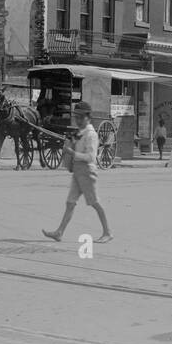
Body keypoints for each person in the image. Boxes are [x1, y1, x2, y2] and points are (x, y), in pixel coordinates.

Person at [44, 102, 113, 243]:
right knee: (70, 203)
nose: (78, 120)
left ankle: (108, 232)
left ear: (88, 118)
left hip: (87, 172)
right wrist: (69, 143)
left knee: (95, 202)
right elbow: (71, 143)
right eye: (77, 117)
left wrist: (72, 152)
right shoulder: (79, 133)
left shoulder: (91, 135)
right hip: (77, 171)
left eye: (81, 117)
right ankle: (59, 232)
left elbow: (91, 157)